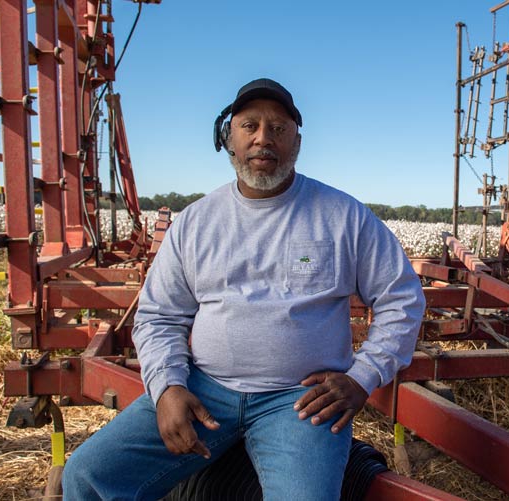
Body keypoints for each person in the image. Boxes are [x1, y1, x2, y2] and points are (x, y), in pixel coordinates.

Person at [62, 78, 426, 500]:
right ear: (229, 139)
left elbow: (401, 299)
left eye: (278, 129)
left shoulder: (344, 217)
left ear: (297, 142)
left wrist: (362, 378)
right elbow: (160, 314)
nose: (263, 139)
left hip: (300, 403)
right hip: (203, 390)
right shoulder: (197, 221)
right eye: (249, 126)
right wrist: (166, 388)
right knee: (87, 476)